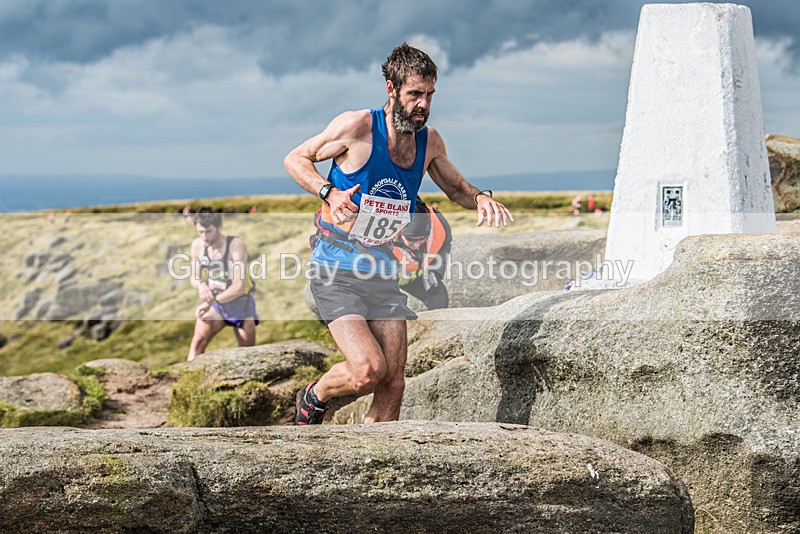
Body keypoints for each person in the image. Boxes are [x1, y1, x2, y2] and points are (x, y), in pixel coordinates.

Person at [284, 43, 513, 425]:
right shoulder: (356, 127)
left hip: (382, 274)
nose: (423, 104)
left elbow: (456, 188)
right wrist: (330, 192)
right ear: (391, 90)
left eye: (429, 95)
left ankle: (369, 464)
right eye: (414, 94)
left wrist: (482, 199)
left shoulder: (429, 142)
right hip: (336, 271)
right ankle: (315, 394)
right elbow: (295, 158)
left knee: (393, 385)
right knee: (368, 371)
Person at [187, 206, 258, 361]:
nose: (204, 237)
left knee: (247, 354)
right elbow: (193, 277)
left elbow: (238, 287)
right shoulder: (197, 246)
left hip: (240, 303)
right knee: (198, 340)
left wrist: (210, 302)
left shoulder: (235, 245)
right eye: (200, 232)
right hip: (216, 304)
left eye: (208, 231)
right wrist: (200, 285)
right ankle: (187, 379)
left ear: (219, 227)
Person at [392, 197, 451, 310]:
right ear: (399, 232)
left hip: (415, 276)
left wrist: (435, 271)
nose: (417, 245)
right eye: (411, 240)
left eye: (422, 239)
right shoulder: (384, 229)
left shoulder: (440, 224)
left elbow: (445, 245)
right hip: (384, 277)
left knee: (438, 296)